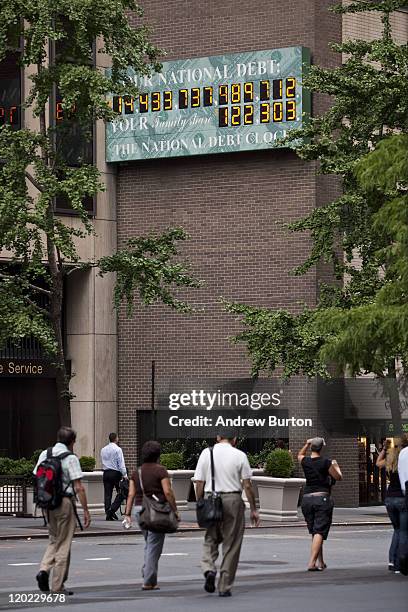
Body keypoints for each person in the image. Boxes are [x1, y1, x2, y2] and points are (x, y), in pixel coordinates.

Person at [194, 429, 260, 598]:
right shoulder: (240, 456)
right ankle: (224, 585)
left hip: (211, 498)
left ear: (218, 437)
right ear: (235, 439)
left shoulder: (206, 453)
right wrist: (253, 509)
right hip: (233, 500)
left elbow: (199, 482)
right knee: (232, 544)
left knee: (210, 538)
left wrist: (201, 502)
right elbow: (247, 485)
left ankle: (208, 568)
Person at [34, 427, 91, 594]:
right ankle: (57, 586)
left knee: (54, 539)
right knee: (64, 543)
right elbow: (79, 487)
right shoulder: (71, 458)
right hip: (65, 502)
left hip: (47, 502)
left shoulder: (45, 454)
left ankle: (43, 569)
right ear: (72, 441)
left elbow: (36, 475)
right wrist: (86, 511)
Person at [123, 440, 179, 590]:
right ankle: (148, 581)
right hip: (156, 511)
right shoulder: (160, 470)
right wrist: (175, 510)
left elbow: (131, 494)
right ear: (158, 455)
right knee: (154, 545)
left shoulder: (137, 472)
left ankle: (146, 570)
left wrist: (127, 514)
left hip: (139, 511)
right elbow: (168, 492)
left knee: (149, 543)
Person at [298, 437, 342, 571]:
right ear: (321, 448)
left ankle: (320, 562)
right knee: (319, 531)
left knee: (316, 531)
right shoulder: (326, 462)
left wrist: (306, 443)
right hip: (321, 499)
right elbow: (338, 477)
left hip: (306, 499)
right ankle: (312, 563)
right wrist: (336, 466)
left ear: (311, 447)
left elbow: (299, 455)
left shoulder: (305, 461)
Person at [376, 438, 405, 573]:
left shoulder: (390, 460)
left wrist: (383, 449)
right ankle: (400, 562)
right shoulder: (404, 460)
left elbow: (377, 463)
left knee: (397, 530)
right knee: (403, 531)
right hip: (401, 498)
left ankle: (391, 561)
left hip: (389, 498)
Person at [100, 432, 127, 520]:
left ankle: (108, 512)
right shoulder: (118, 449)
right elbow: (121, 463)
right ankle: (112, 510)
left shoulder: (103, 449)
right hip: (115, 473)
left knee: (107, 494)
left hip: (106, 473)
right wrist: (125, 474)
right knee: (122, 492)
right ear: (116, 439)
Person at [397, 433, 408, 575]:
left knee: (404, 531)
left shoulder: (403, 453)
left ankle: (403, 563)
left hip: (406, 492)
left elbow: (401, 473)